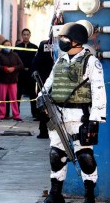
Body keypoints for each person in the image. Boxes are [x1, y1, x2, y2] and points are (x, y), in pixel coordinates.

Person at [38, 23, 106, 203]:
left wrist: (95, 119)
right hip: (57, 115)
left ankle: (89, 195)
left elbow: (99, 91)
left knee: (85, 156)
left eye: (65, 38)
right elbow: (47, 85)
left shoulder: (91, 62)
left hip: (80, 117)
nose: (62, 41)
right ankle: (55, 194)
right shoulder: (59, 61)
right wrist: (40, 99)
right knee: (56, 155)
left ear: (76, 41)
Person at [0, 40, 24, 121]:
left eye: (9, 44)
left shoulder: (15, 55)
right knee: (2, 99)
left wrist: (14, 68)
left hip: (13, 80)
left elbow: (21, 65)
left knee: (14, 99)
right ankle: (1, 115)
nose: (7, 46)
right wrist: (5, 69)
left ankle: (16, 115)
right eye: (5, 45)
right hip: (2, 80)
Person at [32, 34, 54, 139]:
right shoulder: (64, 45)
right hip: (51, 80)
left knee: (44, 106)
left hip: (44, 80)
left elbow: (35, 63)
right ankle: (46, 131)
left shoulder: (44, 44)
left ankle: (44, 131)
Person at [14, 28, 39, 118]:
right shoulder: (17, 47)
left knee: (32, 93)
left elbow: (37, 61)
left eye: (27, 34)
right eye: (24, 34)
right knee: (18, 93)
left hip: (30, 73)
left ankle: (35, 113)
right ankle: (16, 113)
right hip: (20, 73)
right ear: (22, 36)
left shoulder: (34, 47)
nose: (26, 36)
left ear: (30, 35)